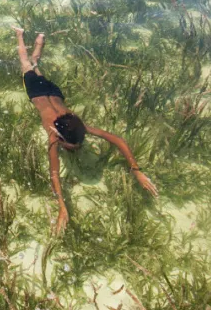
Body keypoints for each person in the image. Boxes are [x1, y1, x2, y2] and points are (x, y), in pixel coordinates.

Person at [14, 27, 158, 234]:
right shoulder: (54, 138)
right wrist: (63, 207)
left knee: (35, 67)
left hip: (52, 92)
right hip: (40, 92)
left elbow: (118, 140)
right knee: (26, 64)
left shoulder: (79, 127)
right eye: (72, 146)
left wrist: (136, 170)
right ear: (61, 138)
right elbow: (54, 174)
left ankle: (39, 40)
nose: (76, 148)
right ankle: (21, 35)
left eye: (78, 144)